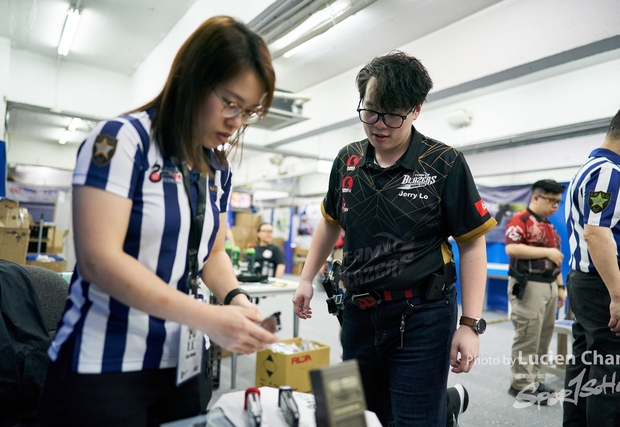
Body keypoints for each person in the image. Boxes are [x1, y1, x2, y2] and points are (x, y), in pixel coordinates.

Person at [38, 16, 279, 427]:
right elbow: (99, 259)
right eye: (230, 103)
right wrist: (206, 318)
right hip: (105, 364)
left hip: (181, 364)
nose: (236, 121)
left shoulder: (215, 166)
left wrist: (236, 300)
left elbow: (212, 250)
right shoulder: (120, 141)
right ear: (192, 79)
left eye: (248, 111)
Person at [292, 51, 497, 427]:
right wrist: (305, 278)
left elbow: (471, 243)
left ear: (416, 110)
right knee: (354, 416)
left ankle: (440, 411)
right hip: (356, 314)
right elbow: (330, 222)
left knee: (413, 419)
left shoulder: (443, 163)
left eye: (393, 115)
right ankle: (444, 408)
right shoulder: (347, 160)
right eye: (370, 111)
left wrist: (470, 324)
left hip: (421, 316)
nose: (379, 125)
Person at [563, 102, 620, 426]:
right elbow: (596, 233)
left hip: (592, 282)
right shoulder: (609, 170)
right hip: (607, 284)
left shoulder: (594, 168)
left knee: (589, 365)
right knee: (615, 374)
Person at [505, 179, 566, 404]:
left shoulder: (548, 225)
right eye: (552, 201)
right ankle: (520, 385)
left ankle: (536, 380)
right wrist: (548, 253)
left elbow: (556, 258)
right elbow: (511, 247)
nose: (555, 206)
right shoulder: (521, 220)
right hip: (529, 285)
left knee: (543, 337)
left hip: (549, 285)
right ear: (536, 197)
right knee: (527, 337)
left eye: (559, 202)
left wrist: (560, 286)